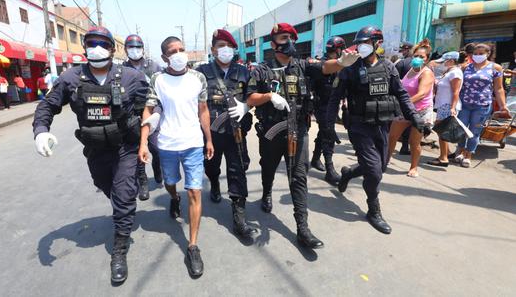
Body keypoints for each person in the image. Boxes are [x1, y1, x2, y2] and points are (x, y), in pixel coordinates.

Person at [32, 26, 148, 283]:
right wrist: (41, 130)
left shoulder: (130, 76)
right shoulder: (71, 78)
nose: (97, 48)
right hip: (95, 148)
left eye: (103, 43)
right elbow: (48, 105)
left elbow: (148, 105)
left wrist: (150, 130)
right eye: (91, 43)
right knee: (105, 185)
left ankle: (119, 248)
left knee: (123, 192)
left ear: (112, 48)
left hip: (124, 147)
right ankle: (123, 208)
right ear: (84, 48)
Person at [247, 23, 358, 248]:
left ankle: (303, 229)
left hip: (298, 130)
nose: (288, 42)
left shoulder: (303, 65)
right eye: (283, 38)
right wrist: (268, 96)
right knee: (268, 167)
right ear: (273, 43)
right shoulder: (262, 69)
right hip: (270, 130)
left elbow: (325, 67)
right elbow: (250, 98)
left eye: (291, 38)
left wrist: (340, 63)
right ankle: (266, 193)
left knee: (299, 176)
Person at [323, 26, 424, 234]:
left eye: (366, 44)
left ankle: (349, 172)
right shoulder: (349, 69)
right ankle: (373, 210)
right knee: (374, 171)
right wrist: (328, 126)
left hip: (382, 126)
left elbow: (402, 94)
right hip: (359, 127)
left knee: (380, 166)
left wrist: (414, 117)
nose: (362, 48)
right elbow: (334, 99)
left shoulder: (388, 67)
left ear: (377, 44)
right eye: (359, 44)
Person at [138, 36, 213, 277]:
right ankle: (173, 198)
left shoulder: (198, 78)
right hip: (167, 144)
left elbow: (203, 109)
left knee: (193, 190)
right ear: (164, 57)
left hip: (193, 143)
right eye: (173, 51)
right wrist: (143, 142)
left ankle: (192, 246)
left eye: (182, 49)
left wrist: (208, 139)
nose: (180, 54)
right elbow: (148, 109)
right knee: (170, 183)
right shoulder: (157, 79)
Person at [195, 29, 256, 239]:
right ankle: (213, 183)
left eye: (228, 46)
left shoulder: (243, 72)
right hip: (211, 133)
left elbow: (253, 96)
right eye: (220, 46)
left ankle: (239, 219)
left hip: (236, 132)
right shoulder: (201, 72)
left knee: (238, 171)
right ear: (213, 49)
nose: (224, 50)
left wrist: (246, 107)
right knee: (211, 166)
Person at [454, 43, 509, 168]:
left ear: (488, 54)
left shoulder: (496, 68)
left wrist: (503, 106)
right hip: (464, 104)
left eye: (481, 54)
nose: (477, 56)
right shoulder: (465, 67)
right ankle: (460, 150)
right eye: (475, 54)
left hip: (482, 105)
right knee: (461, 129)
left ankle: (468, 154)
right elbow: (457, 85)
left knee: (475, 131)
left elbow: (499, 88)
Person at [387, 39, 435, 177]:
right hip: (405, 109)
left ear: (426, 59)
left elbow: (421, 94)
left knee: (414, 142)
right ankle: (386, 160)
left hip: (420, 111)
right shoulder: (410, 71)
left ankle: (414, 167)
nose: (418, 59)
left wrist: (402, 104)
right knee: (392, 136)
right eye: (416, 56)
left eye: (422, 57)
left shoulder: (426, 73)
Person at [123, 34, 163, 201]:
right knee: (137, 150)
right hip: (131, 116)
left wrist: (158, 114)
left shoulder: (153, 66)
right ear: (125, 50)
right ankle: (143, 183)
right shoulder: (121, 69)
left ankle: (158, 170)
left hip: (151, 113)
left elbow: (163, 93)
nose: (135, 51)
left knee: (156, 148)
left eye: (138, 47)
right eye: (131, 47)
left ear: (143, 49)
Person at [309, 36, 347, 184]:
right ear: (338, 50)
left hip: (333, 105)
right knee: (329, 133)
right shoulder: (320, 64)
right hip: (321, 105)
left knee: (323, 132)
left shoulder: (341, 65)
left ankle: (315, 159)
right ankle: (330, 170)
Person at [427, 51, 464, 167]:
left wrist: (452, 107)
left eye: (444, 61)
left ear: (451, 61)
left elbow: (456, 92)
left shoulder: (455, 73)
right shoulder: (449, 71)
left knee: (442, 131)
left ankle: (443, 158)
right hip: (443, 105)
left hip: (447, 106)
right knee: (441, 131)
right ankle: (446, 153)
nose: (442, 63)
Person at [395, 41, 414, 155]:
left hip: (402, 96)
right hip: (417, 98)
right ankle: (405, 146)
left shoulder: (401, 63)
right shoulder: (423, 65)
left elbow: (394, 81)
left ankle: (405, 145)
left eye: (403, 50)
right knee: (411, 121)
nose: (402, 53)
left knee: (402, 120)